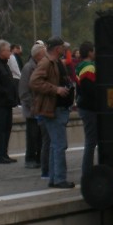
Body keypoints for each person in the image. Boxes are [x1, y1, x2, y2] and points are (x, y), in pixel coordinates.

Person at [30, 35, 75, 188]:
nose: (65, 50)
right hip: (53, 109)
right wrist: (56, 89)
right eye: (63, 47)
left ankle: (53, 178)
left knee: (55, 145)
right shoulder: (46, 63)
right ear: (57, 49)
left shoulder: (53, 62)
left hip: (56, 109)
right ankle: (59, 179)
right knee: (59, 145)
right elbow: (34, 81)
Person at [18, 42, 46, 170]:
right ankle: (30, 158)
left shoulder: (40, 66)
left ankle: (38, 158)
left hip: (40, 107)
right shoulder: (28, 68)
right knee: (32, 136)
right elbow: (24, 90)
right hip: (32, 109)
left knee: (40, 136)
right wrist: (32, 105)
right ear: (38, 55)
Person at [76, 41, 98, 183]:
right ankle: (87, 173)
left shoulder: (80, 66)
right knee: (91, 142)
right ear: (90, 52)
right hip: (90, 108)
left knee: (90, 141)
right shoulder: (89, 67)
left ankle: (87, 171)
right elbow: (90, 90)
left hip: (84, 106)